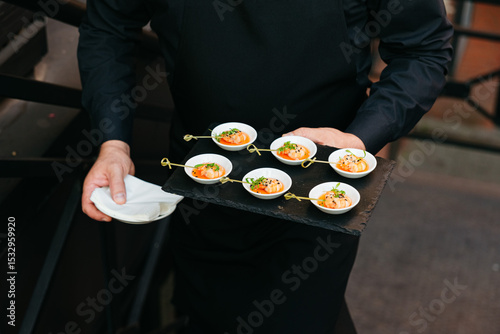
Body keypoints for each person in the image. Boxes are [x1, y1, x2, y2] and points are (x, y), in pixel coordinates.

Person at [78, 0, 453, 332]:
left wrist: (359, 139)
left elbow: (423, 50)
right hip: (203, 180)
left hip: (319, 185)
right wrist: (113, 141)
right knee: (211, 313)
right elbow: (107, 27)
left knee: (303, 316)